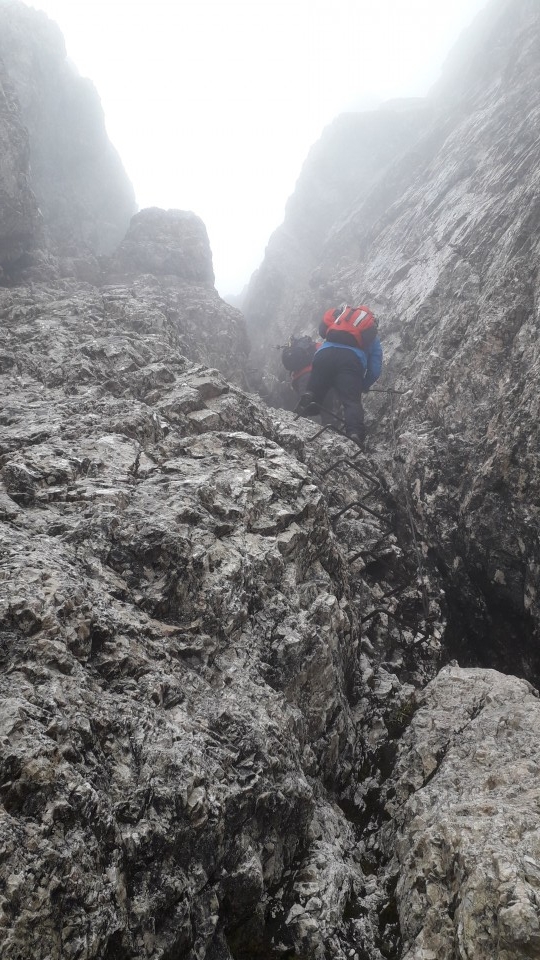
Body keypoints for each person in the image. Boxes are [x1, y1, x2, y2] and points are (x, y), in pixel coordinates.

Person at [297, 303, 383, 447]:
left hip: (323, 356)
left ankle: (304, 407)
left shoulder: (340, 319)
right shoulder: (371, 335)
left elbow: (323, 329)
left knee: (315, 393)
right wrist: (363, 385)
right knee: (351, 401)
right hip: (350, 361)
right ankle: (354, 434)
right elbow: (375, 368)